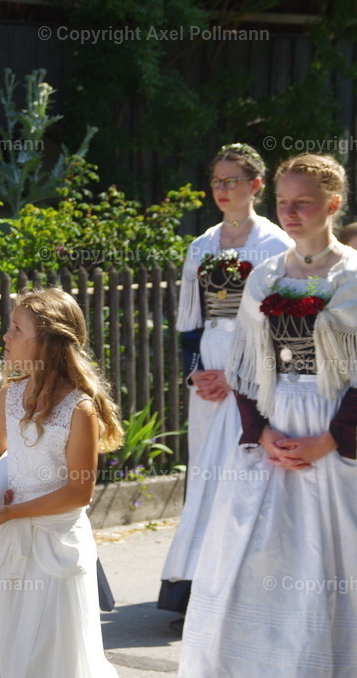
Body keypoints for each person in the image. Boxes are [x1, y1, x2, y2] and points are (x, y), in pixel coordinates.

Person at [179, 154, 357, 676]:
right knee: (255, 559)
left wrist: (330, 439)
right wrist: (264, 431)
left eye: (303, 202)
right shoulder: (265, 276)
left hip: (335, 438)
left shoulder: (352, 278)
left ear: (333, 204)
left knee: (333, 559)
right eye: (283, 202)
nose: (291, 212)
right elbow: (246, 365)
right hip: (274, 437)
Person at [158, 143, 291, 620]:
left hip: (253, 374)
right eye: (216, 181)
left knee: (245, 472)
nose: (222, 189)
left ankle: (244, 585)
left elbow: (281, 326)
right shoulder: (201, 246)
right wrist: (195, 370)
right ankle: (193, 586)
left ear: (256, 185)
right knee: (207, 475)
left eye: (232, 181)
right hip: (208, 376)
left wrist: (239, 379)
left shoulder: (277, 247)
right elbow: (189, 323)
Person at [0, 287, 122, 678]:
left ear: (46, 342)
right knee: (3, 638)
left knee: (52, 648)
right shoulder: (10, 394)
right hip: (10, 535)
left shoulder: (79, 409)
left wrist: (14, 510)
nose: (5, 336)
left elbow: (78, 491)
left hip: (55, 544)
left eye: (16, 328)